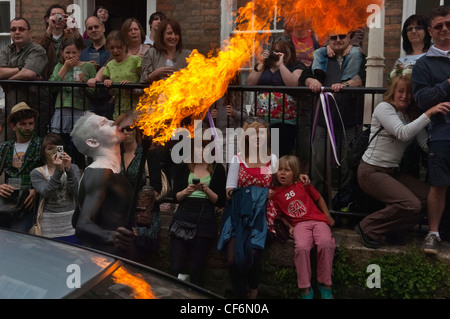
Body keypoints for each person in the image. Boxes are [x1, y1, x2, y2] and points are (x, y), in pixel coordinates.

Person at [354, 74, 449, 249]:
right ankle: (367, 227)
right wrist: (429, 112)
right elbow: (402, 133)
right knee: (410, 204)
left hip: (392, 172)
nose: (405, 96)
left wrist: (443, 149)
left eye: (409, 92)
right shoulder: (384, 108)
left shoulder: (411, 116)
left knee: (427, 198)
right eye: (400, 91)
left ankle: (394, 231)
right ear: (393, 92)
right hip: (371, 171)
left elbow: (424, 145)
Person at [299, 30, 365, 203]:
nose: (338, 40)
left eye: (342, 36)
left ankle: (343, 206)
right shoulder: (322, 56)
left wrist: (345, 84)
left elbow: (361, 78)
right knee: (318, 165)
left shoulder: (357, 56)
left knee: (347, 168)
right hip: (322, 121)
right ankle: (319, 206)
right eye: (333, 37)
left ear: (349, 38)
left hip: (348, 122)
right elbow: (304, 76)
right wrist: (311, 81)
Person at [217, 117, 277, 299]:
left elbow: (277, 188)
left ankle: (253, 290)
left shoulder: (272, 159)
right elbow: (229, 191)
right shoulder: (238, 159)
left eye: (262, 133)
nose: (258, 136)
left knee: (252, 251)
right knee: (232, 259)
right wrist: (257, 193)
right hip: (239, 213)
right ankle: (240, 294)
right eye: (254, 133)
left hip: (262, 214)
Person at [70, 111, 136, 258]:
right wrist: (112, 236)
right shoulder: (100, 172)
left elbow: (75, 219)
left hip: (116, 257)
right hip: (105, 260)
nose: (113, 122)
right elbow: (81, 226)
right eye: (103, 123)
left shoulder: (104, 171)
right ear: (93, 142)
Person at [412, 6, 450, 255]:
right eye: (439, 26)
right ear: (430, 31)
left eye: (449, 24)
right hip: (442, 132)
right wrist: (447, 85)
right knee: (438, 183)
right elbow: (421, 98)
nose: (445, 29)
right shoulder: (424, 64)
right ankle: (433, 233)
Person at [271, 155, 335, 299]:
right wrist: (288, 226)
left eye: (287, 170)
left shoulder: (302, 184)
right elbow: (280, 215)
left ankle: (325, 285)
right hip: (299, 224)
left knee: (325, 243)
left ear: (294, 172)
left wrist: (328, 216)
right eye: (280, 169)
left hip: (318, 220)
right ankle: (305, 289)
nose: (282, 173)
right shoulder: (275, 194)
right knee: (302, 248)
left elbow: (318, 198)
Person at [170, 135, 226, 287]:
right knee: (175, 267)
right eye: (199, 146)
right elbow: (175, 196)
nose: (202, 150)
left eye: (206, 146)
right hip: (184, 215)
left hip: (205, 218)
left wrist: (206, 190)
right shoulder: (183, 166)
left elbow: (220, 201)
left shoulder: (217, 169)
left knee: (196, 269)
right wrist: (187, 191)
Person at [246, 35, 305, 157]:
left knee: (280, 154)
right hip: (261, 120)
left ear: (289, 51)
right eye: (275, 51)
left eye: (281, 51)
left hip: (284, 121)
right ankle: (263, 176)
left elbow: (293, 84)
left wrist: (281, 65)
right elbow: (250, 83)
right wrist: (262, 62)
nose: (277, 54)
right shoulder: (263, 66)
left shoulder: (296, 66)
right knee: (261, 154)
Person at [114, 113, 162, 256]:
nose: (126, 132)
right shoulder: (115, 155)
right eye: (122, 129)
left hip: (142, 213)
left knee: (138, 253)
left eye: (130, 128)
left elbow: (157, 188)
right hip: (120, 212)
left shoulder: (147, 154)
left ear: (136, 130)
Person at [393, 14, 432, 179]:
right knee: (408, 158)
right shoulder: (401, 61)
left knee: (430, 156)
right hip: (406, 114)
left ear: (426, 31)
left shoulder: (433, 56)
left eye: (418, 27)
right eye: (409, 29)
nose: (414, 31)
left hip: (427, 112)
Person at [49, 38, 96, 169]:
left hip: (79, 111)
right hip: (62, 111)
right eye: (67, 52)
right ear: (62, 52)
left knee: (77, 144)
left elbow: (94, 93)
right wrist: (65, 67)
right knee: (60, 143)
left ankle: (79, 170)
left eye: (74, 52)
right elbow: (51, 87)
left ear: (80, 52)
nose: (70, 56)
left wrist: (84, 85)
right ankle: (59, 169)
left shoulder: (88, 67)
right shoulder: (60, 66)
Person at [0, 18, 49, 137]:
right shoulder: (6, 51)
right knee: (6, 145)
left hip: (34, 107)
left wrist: (9, 81)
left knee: (34, 146)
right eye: (13, 29)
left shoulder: (37, 50)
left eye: (21, 29)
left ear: (30, 33)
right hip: (11, 108)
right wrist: (21, 68)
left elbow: (29, 74)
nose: (17, 32)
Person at [30, 133, 80, 244]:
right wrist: (58, 171)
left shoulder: (73, 168)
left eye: (57, 148)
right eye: (49, 149)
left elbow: (77, 192)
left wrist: (69, 169)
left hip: (70, 222)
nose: (54, 152)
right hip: (49, 225)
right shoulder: (37, 173)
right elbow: (47, 193)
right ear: (43, 152)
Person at [0, 102, 42, 232]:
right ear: (13, 126)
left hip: (28, 202)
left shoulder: (43, 143)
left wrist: (37, 189)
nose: (27, 127)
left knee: (22, 239)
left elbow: (58, 168)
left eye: (30, 123)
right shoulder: (5, 147)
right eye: (23, 124)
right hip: (7, 201)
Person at [88, 31, 141, 119]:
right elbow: (110, 91)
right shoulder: (109, 65)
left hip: (137, 112)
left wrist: (132, 87)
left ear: (124, 45)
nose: (115, 50)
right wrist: (108, 85)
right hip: (119, 112)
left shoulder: (136, 61)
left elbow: (146, 82)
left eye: (118, 47)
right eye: (112, 48)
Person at [79, 16, 113, 119]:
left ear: (103, 28)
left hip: (110, 100)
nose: (93, 30)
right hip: (90, 103)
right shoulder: (83, 53)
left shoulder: (113, 49)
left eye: (96, 27)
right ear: (87, 32)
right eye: (90, 28)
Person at [140, 18, 192, 84]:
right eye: (169, 33)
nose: (173, 37)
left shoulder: (189, 55)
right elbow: (143, 79)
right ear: (162, 35)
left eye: (176, 34)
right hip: (157, 93)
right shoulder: (151, 53)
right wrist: (155, 74)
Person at [40, 4, 68, 81]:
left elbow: (81, 48)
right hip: (44, 81)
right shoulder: (38, 38)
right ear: (47, 19)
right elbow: (38, 51)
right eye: (54, 15)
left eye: (60, 16)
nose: (57, 18)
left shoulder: (70, 38)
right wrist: (50, 28)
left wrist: (72, 26)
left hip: (66, 81)